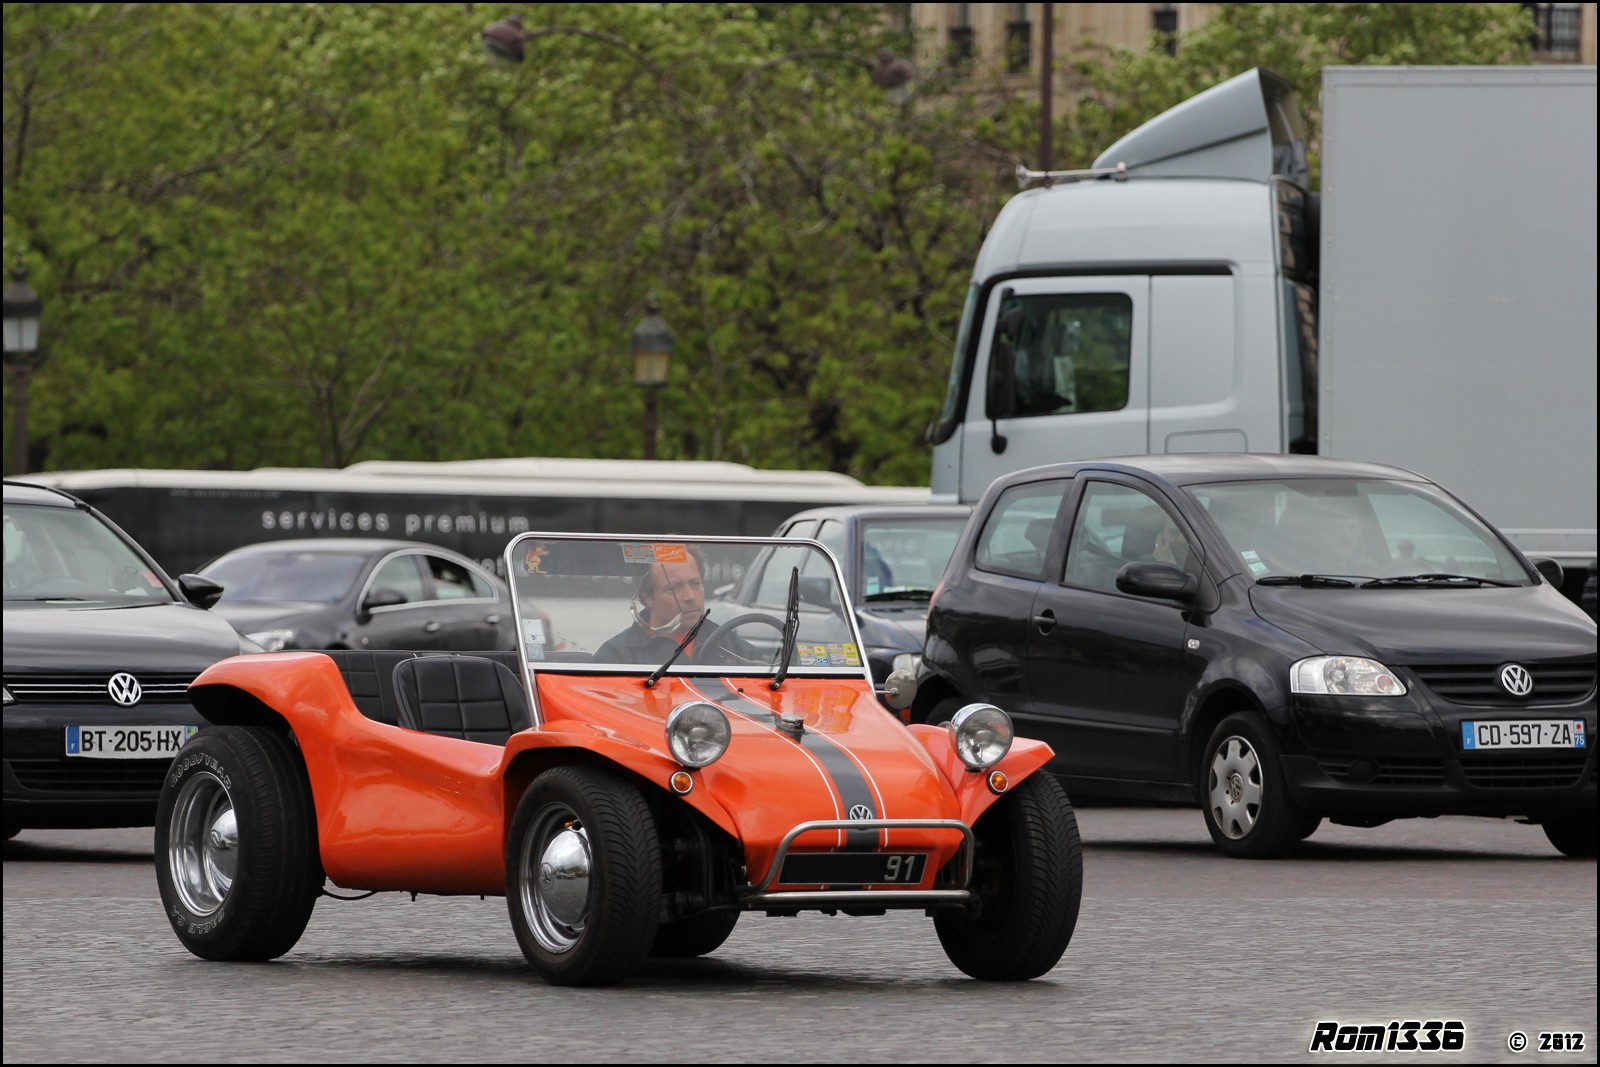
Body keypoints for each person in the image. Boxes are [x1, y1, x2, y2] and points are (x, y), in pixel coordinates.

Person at [592, 547, 761, 666]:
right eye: (674, 588)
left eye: (695, 583)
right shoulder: (616, 657)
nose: (690, 596)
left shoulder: (738, 650)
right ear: (647, 597)